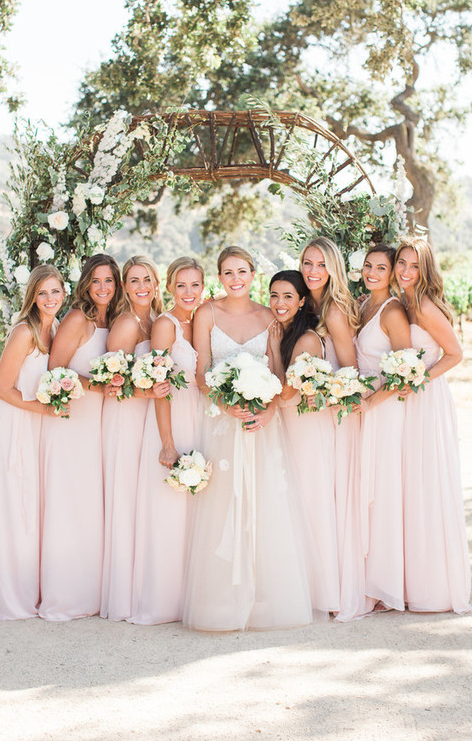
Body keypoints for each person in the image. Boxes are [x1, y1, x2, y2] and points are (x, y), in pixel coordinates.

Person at [182, 246, 312, 631]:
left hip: (260, 426)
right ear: (219, 277)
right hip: (222, 422)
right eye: (227, 272)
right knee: (222, 505)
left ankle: (264, 597)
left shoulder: (268, 315)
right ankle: (223, 597)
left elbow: (275, 372)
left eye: (242, 271)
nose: (235, 278)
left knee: (263, 503)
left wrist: (268, 410)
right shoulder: (206, 313)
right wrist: (224, 405)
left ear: (253, 274)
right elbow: (202, 371)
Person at [0, 265, 66, 619]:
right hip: (11, 424)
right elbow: (2, 389)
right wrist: (42, 408)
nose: (50, 299)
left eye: (55, 291)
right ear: (32, 296)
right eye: (42, 293)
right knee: (12, 506)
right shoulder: (25, 331)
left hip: (33, 423)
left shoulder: (54, 327)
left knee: (29, 506)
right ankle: (6, 597)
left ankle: (28, 589)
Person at [39, 253, 122, 621]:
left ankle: (93, 589)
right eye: (97, 281)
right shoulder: (78, 319)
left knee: (93, 503)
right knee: (70, 502)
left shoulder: (114, 320)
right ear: (86, 284)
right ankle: (67, 593)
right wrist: (98, 385)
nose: (103, 288)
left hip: (101, 422)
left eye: (109, 281)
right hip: (73, 419)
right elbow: (55, 371)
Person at [394, 238, 471, 613]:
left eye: (414, 266)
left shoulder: (423, 305)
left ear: (425, 270)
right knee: (409, 484)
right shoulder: (403, 302)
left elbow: (455, 354)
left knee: (426, 482)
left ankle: (432, 585)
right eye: (402, 264)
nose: (406, 272)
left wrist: (420, 378)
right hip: (407, 400)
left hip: (427, 399)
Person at [129, 257, 203, 624]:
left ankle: (194, 593)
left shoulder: (204, 318)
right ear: (169, 288)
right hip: (172, 416)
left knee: (197, 510)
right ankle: (164, 599)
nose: (188, 293)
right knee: (170, 507)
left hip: (202, 416)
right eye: (181, 285)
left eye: (195, 285)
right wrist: (167, 442)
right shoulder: (165, 324)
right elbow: (160, 387)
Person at [299, 236, 366, 621]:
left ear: (334, 269)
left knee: (332, 498)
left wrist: (321, 393)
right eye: (308, 262)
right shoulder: (311, 303)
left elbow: (350, 371)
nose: (312, 271)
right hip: (316, 415)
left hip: (337, 417)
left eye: (321, 264)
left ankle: (337, 588)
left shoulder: (337, 311)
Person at [100, 255, 169, 622]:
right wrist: (149, 394)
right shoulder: (126, 324)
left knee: (143, 498)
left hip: (147, 417)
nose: (142, 286)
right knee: (126, 497)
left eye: (147, 279)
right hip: (126, 418)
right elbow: (109, 387)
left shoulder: (158, 321)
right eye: (134, 281)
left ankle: (146, 582)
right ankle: (125, 593)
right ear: (124, 287)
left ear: (156, 283)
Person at [268, 269, 340, 614]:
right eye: (273, 296)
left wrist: (273, 351)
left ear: (300, 301)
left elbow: (286, 392)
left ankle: (321, 590)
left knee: (311, 502)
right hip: (288, 427)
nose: (279, 303)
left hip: (306, 428)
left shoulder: (308, 339)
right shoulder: (282, 331)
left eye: (287, 297)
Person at [353, 243, 411, 613]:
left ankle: (383, 583)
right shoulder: (362, 304)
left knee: (383, 490)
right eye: (367, 266)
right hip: (364, 405)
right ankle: (364, 576)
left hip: (385, 408)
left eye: (380, 268)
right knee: (365, 490)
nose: (372, 273)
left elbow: (405, 370)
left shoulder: (392, 312)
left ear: (391, 274)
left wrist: (371, 403)